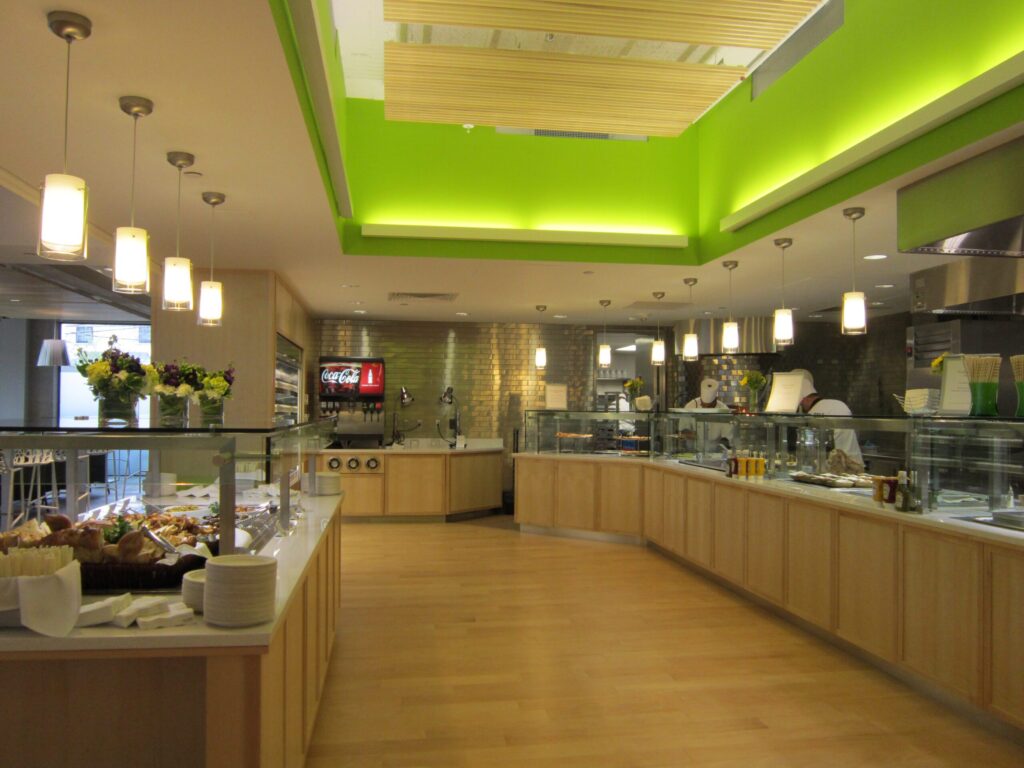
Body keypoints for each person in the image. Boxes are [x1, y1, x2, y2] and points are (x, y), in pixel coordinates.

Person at [792, 369, 864, 471]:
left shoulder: (813, 414)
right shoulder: (836, 403)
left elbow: (813, 452)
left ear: (802, 399)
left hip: (839, 470)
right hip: (856, 466)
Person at [683, 378, 733, 450]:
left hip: (716, 451)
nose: (706, 409)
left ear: (716, 399)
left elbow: (727, 438)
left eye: (709, 406)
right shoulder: (690, 406)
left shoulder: (724, 410)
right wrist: (687, 433)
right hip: (692, 451)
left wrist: (720, 448)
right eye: (703, 405)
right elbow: (683, 430)